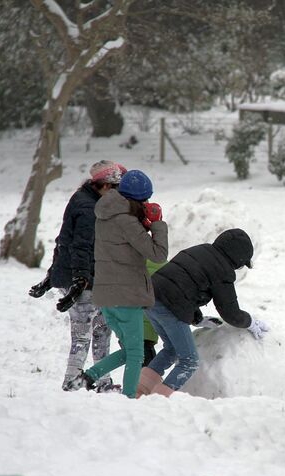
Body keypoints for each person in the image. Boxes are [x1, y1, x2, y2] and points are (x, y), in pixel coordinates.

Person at [65, 169, 168, 398]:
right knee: (136, 355)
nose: (147, 203)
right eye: (145, 199)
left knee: (130, 350)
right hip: (126, 297)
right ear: (137, 199)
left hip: (106, 296)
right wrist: (158, 224)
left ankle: (88, 376)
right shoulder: (127, 222)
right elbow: (158, 254)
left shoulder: (105, 215)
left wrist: (143, 222)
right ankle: (129, 400)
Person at [28, 160, 126, 392]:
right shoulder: (89, 210)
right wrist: (79, 282)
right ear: (104, 186)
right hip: (83, 282)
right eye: (116, 190)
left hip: (89, 279)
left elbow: (62, 241)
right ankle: (71, 383)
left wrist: (51, 276)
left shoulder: (84, 198)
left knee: (102, 329)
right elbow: (79, 246)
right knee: (82, 335)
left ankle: (102, 382)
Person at [136, 228, 269, 398]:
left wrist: (197, 319)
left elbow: (183, 285)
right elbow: (230, 313)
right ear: (237, 257)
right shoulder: (223, 269)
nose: (240, 267)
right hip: (170, 307)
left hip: (151, 298)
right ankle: (159, 400)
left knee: (171, 349)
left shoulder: (201, 250)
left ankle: (139, 391)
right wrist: (251, 322)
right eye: (242, 263)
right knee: (189, 361)